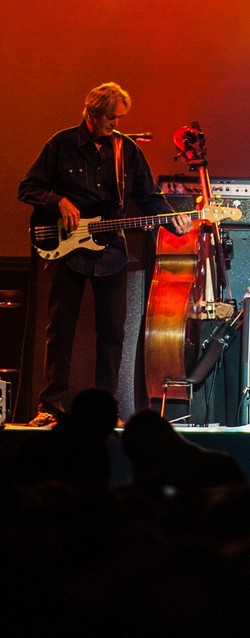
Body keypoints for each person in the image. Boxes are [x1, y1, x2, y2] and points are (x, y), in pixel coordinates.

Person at [18, 82, 193, 427]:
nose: (115, 123)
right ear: (91, 114)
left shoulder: (124, 150)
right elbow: (28, 187)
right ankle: (50, 407)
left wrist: (174, 221)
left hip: (110, 248)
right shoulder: (61, 144)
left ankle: (106, 410)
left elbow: (149, 197)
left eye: (119, 118)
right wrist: (59, 201)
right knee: (61, 329)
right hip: (66, 246)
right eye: (110, 118)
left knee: (113, 332)